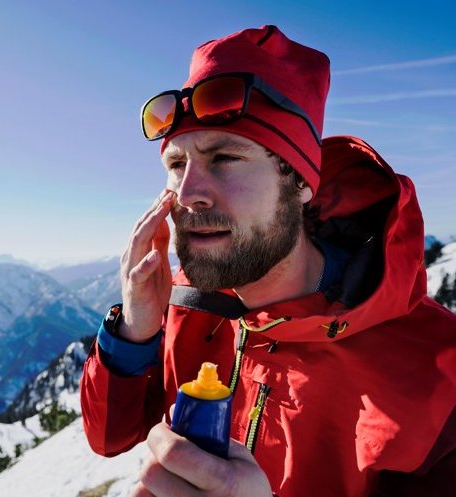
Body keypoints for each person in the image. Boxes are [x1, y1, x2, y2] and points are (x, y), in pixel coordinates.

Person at [80, 25, 456, 497]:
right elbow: (108, 436)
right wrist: (134, 330)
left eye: (225, 158)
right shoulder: (186, 304)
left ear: (301, 182)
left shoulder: (436, 367)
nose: (188, 193)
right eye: (177, 165)